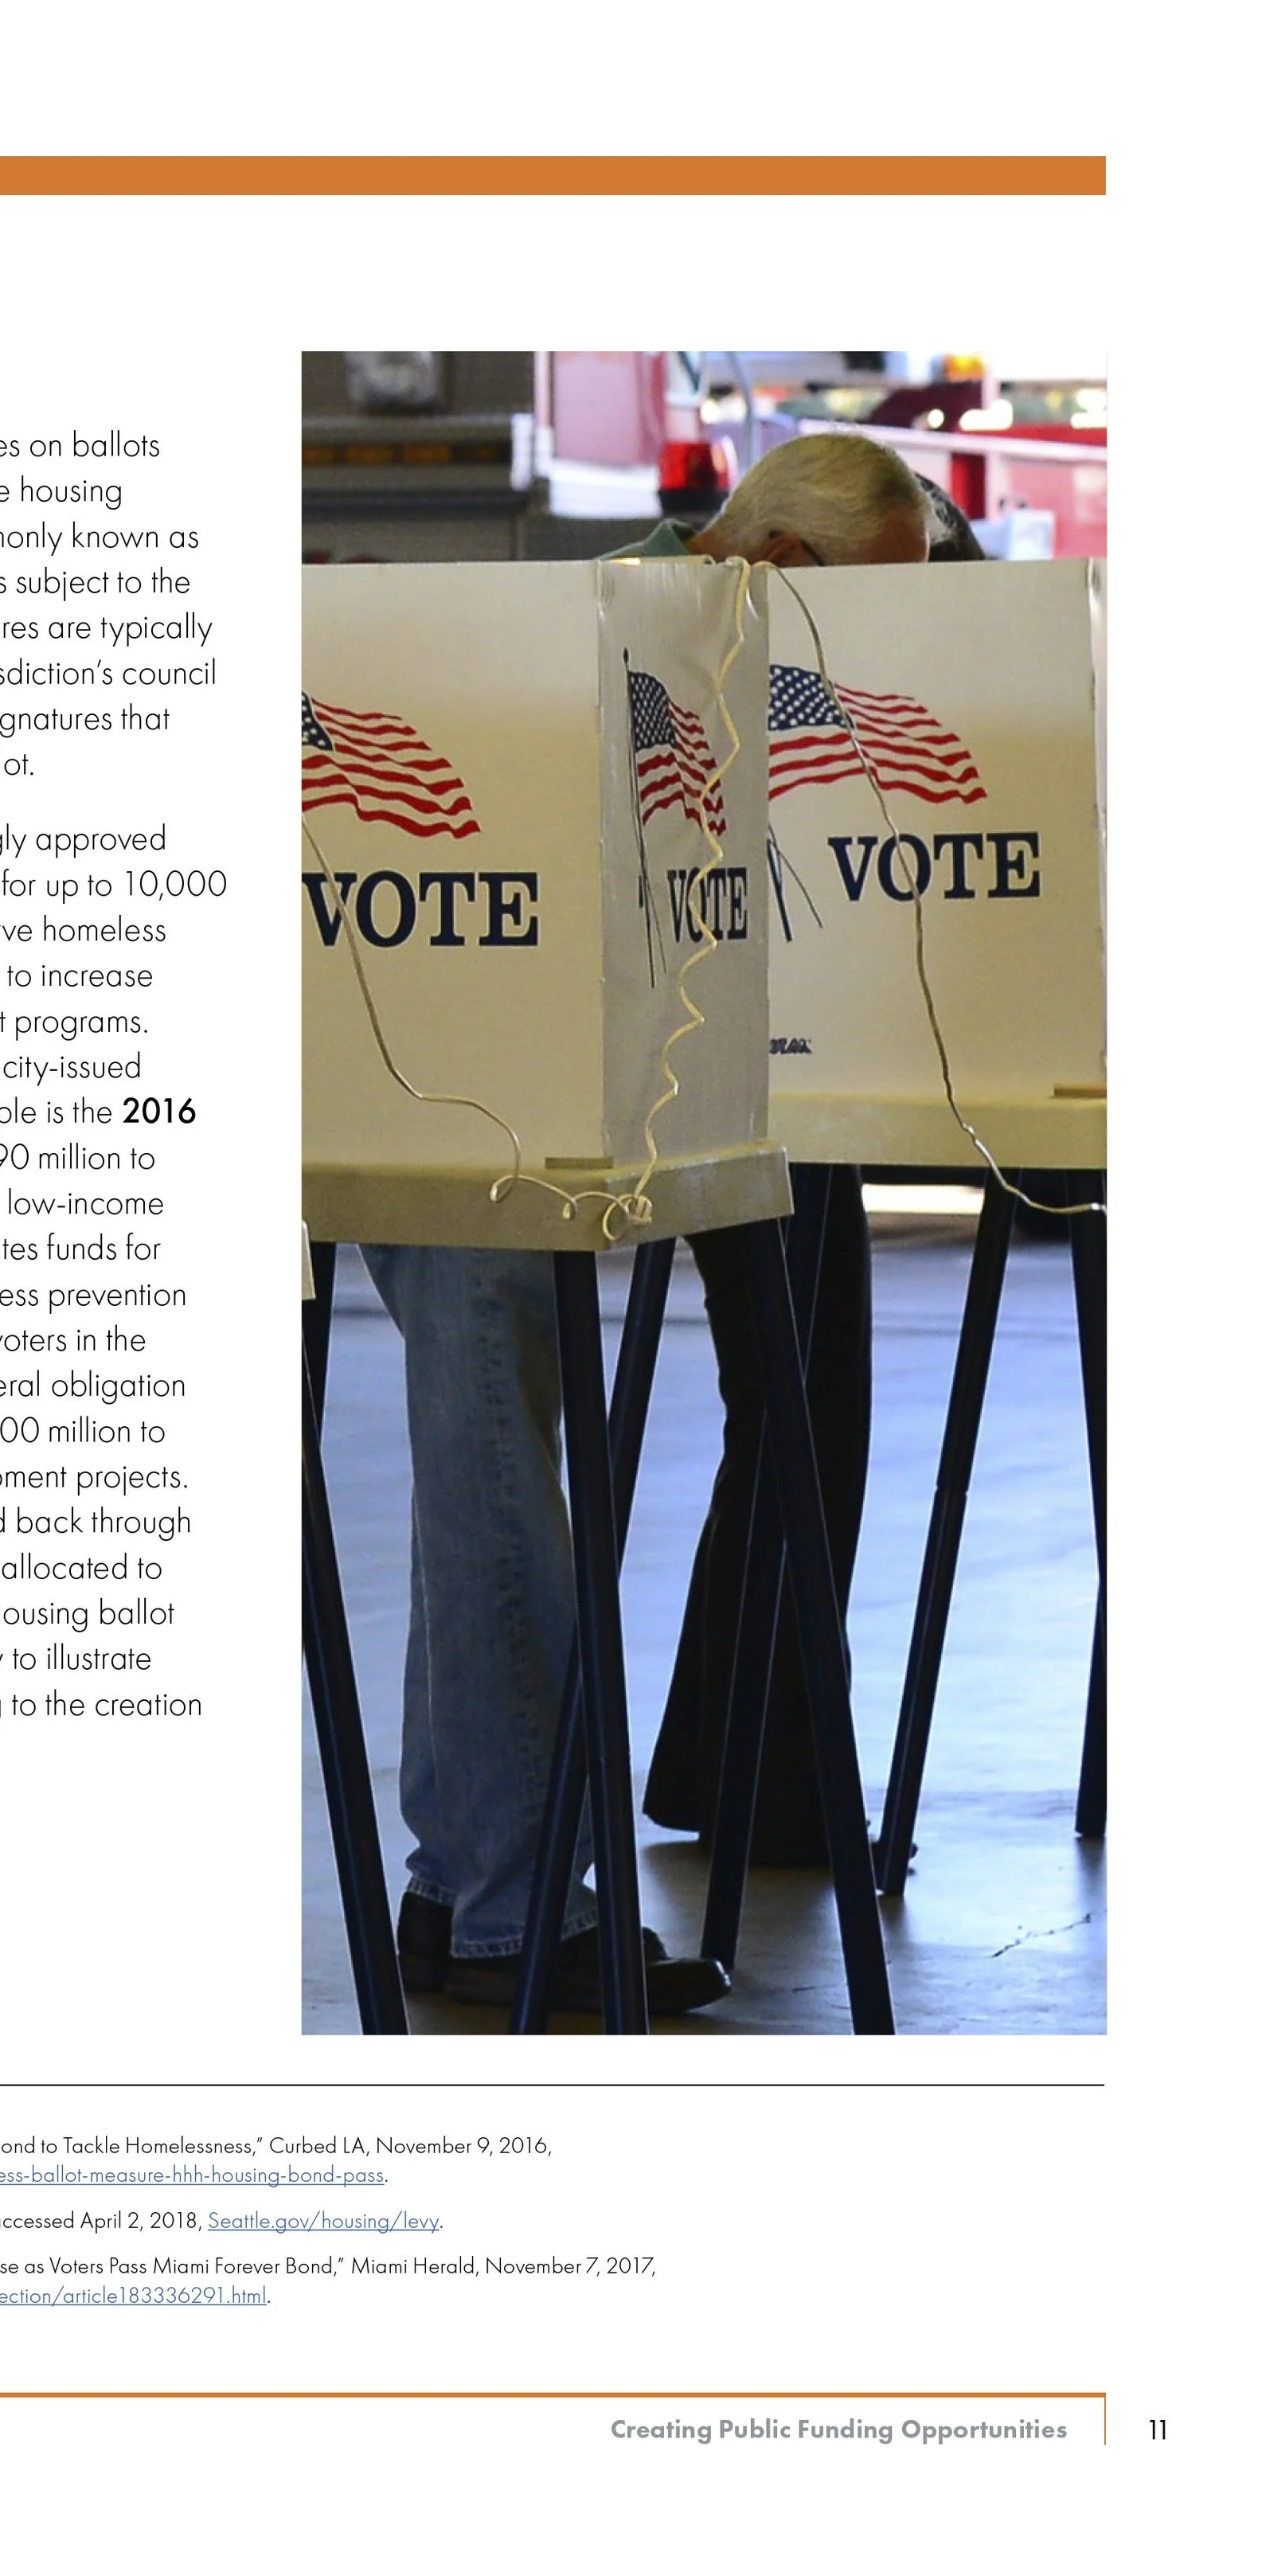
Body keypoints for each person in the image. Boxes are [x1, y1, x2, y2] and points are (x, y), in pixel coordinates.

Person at [368, 433, 932, 2010]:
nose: (880, 640)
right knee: (489, 1438)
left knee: (503, 1451)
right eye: (868, 605)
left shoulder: (714, 633)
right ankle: (504, 1907)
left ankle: (496, 1882)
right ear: (783, 561)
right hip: (467, 1089)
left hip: (613, 1081)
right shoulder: (614, 629)